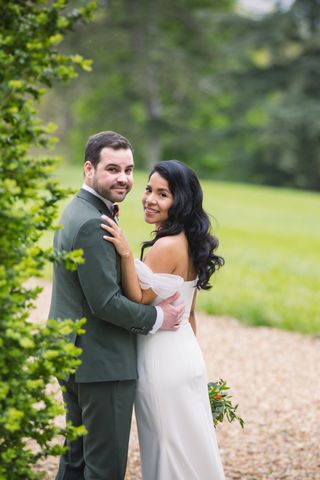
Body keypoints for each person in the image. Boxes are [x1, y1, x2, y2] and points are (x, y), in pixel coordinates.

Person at [48, 131, 185, 480]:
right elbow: (105, 303)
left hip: (76, 355)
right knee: (104, 469)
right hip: (101, 362)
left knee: (76, 462)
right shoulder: (94, 222)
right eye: (112, 169)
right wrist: (157, 317)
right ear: (88, 169)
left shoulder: (78, 209)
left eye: (128, 169)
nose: (123, 178)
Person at [100, 159, 226, 480]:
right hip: (187, 355)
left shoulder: (166, 246)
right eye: (148, 189)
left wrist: (127, 255)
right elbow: (192, 313)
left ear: (179, 202)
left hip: (161, 360)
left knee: (166, 449)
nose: (150, 200)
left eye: (163, 194)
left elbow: (139, 299)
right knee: (190, 445)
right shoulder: (192, 244)